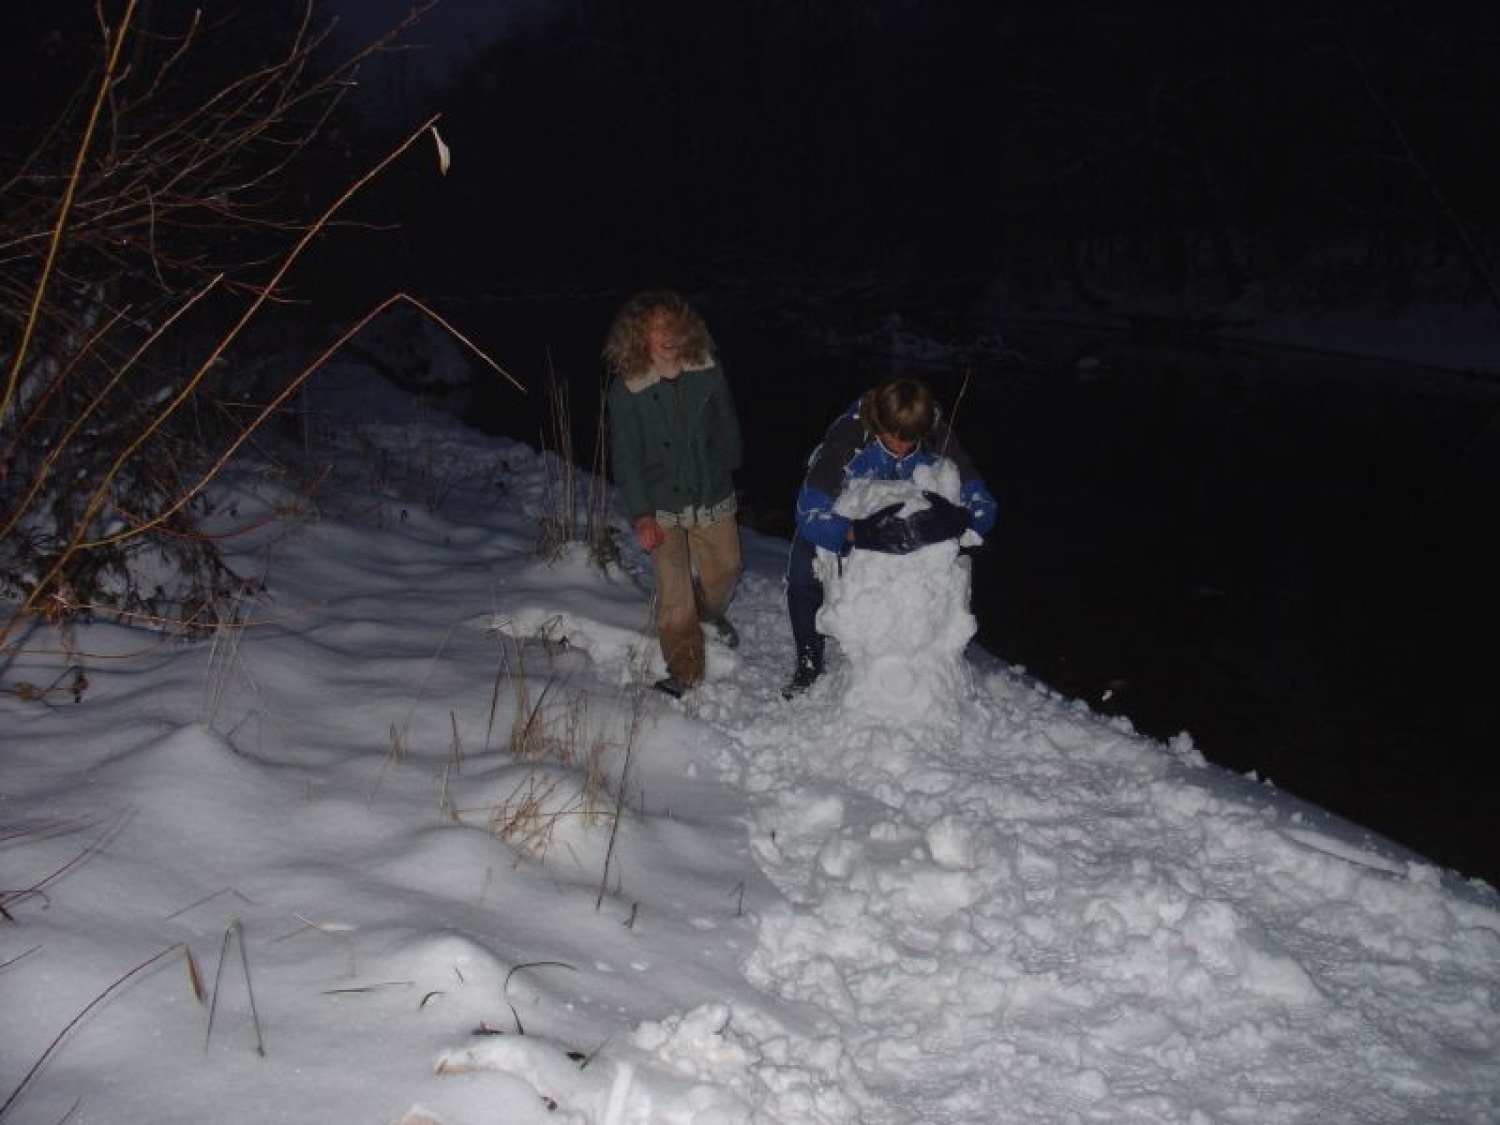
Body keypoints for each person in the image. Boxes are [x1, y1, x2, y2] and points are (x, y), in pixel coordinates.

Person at [783, 376, 997, 698]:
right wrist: (858, 532)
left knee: (953, 566)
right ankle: (809, 660)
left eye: (911, 439)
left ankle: (941, 663)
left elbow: (985, 506)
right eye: (893, 436)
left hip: (908, 517)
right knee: (802, 575)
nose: (902, 445)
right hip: (850, 510)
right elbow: (808, 512)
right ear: (878, 421)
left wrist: (958, 520)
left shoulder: (936, 433)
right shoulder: (848, 436)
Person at [604, 290, 744, 697]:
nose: (668, 335)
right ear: (639, 336)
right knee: (673, 590)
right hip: (661, 500)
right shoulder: (627, 389)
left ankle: (708, 613)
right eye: (656, 328)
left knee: (726, 569)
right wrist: (641, 513)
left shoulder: (707, 369)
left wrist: (730, 457)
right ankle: (683, 671)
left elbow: (726, 420)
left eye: (674, 326)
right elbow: (625, 457)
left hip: (710, 490)